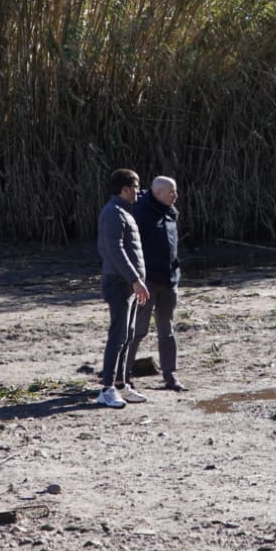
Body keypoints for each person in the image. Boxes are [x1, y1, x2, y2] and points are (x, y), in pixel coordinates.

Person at [95, 168, 150, 408]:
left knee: (127, 335)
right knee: (117, 336)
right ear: (125, 189)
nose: (139, 191)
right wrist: (136, 279)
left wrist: (135, 281)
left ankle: (120, 384)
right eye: (136, 187)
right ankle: (106, 389)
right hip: (118, 283)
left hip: (127, 284)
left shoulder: (123, 211)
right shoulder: (112, 213)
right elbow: (115, 250)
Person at [128, 175, 185, 390]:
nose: (176, 196)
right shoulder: (140, 214)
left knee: (167, 331)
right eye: (172, 192)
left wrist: (175, 272)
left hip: (169, 281)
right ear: (158, 193)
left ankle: (170, 376)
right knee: (138, 329)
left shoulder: (170, 213)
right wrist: (136, 279)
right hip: (147, 282)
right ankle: (123, 376)